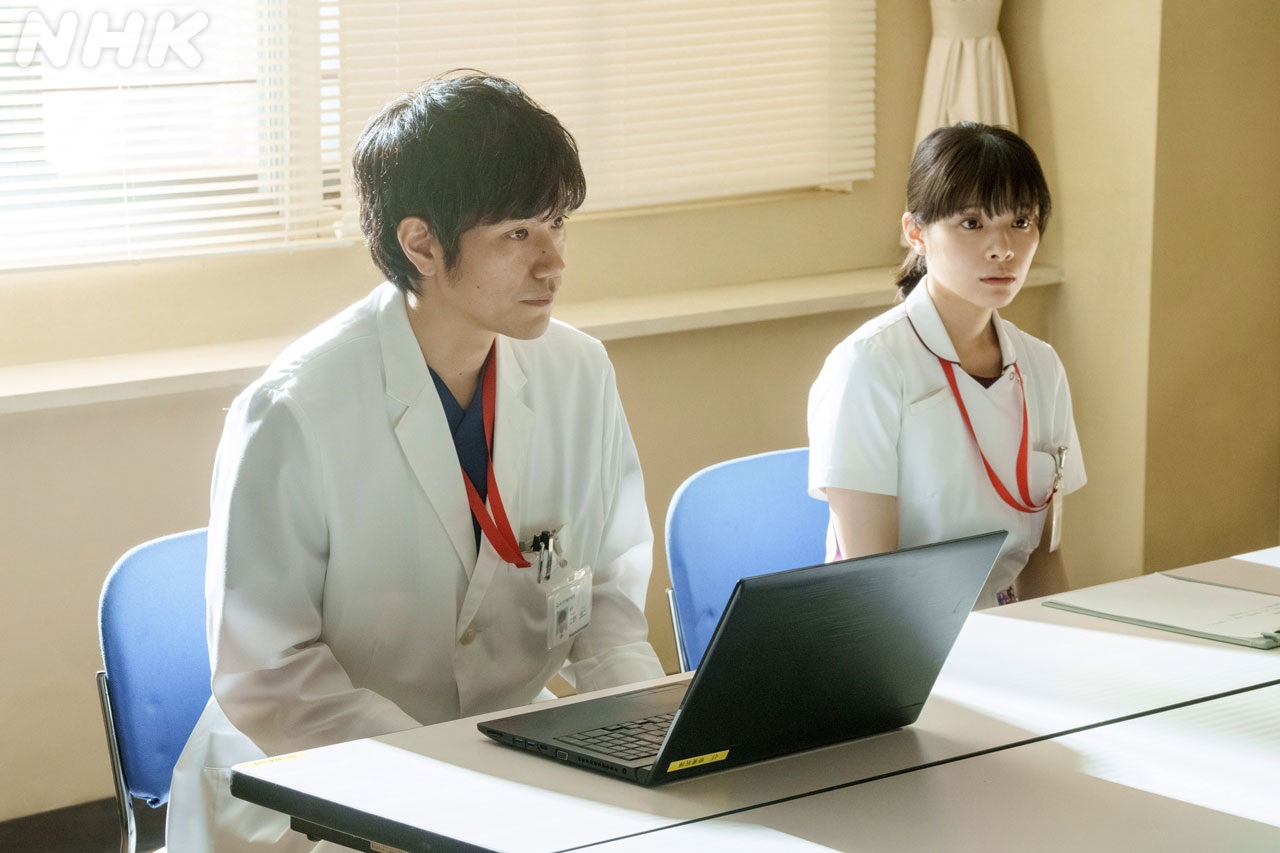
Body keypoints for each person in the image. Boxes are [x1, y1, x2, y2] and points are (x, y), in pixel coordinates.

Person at [167, 73, 665, 852]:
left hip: (501, 764)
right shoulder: (295, 410)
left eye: (557, 224)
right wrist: (445, 783)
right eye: (517, 235)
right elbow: (270, 674)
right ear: (422, 244)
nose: (552, 263)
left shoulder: (579, 372)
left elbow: (604, 603)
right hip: (314, 783)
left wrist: (646, 744)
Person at [807, 122, 1085, 609]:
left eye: (1021, 222)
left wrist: (1066, 649)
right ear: (916, 233)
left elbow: (1043, 564)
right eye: (972, 223)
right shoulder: (868, 365)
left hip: (1006, 632)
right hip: (898, 632)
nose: (1003, 248)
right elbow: (872, 582)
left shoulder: (1041, 367)